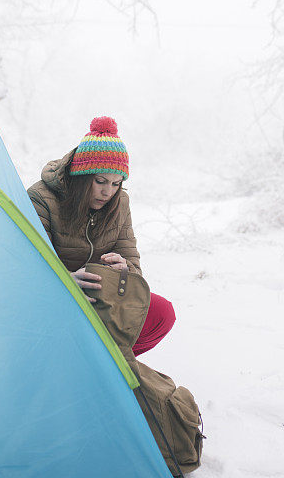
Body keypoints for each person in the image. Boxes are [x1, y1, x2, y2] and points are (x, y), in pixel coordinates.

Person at [27, 116, 175, 357]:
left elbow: (134, 270)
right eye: (100, 181)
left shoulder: (120, 202)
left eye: (117, 183)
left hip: (101, 302)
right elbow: (28, 267)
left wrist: (125, 269)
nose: (108, 191)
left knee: (162, 313)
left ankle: (107, 364)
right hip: (55, 302)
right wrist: (66, 282)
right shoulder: (41, 198)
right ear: (82, 176)